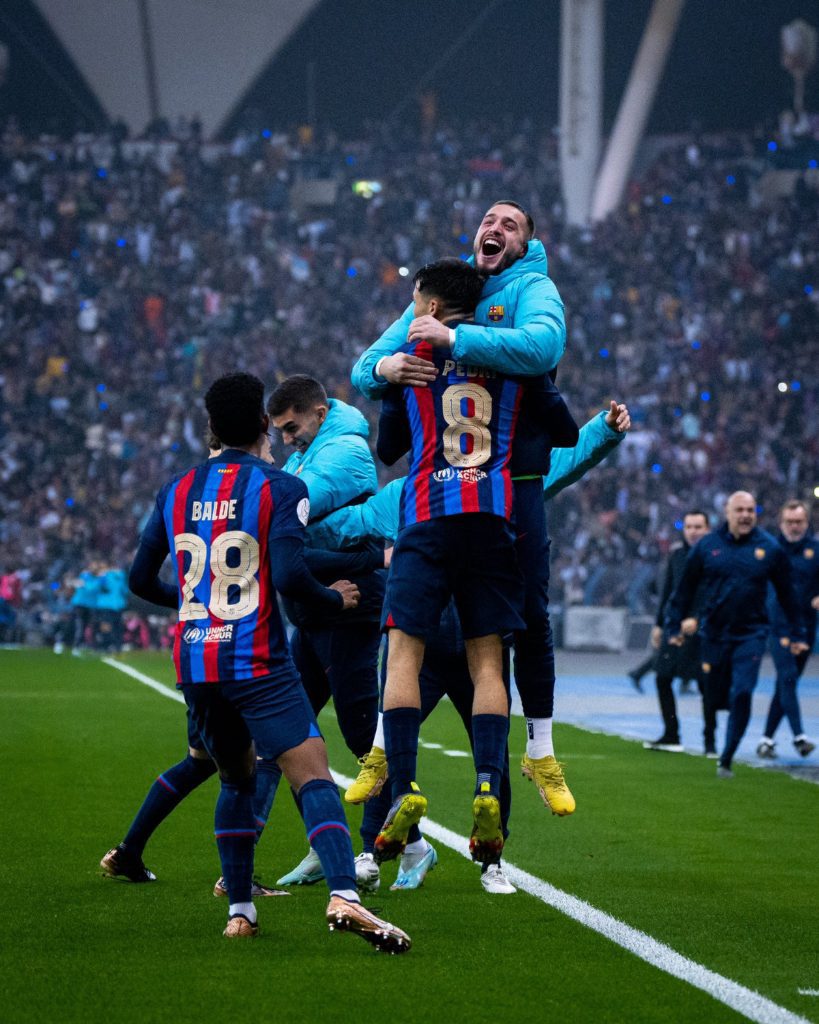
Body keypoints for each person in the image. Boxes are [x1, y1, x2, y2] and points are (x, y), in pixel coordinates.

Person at [114, 371, 410, 950]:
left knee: (235, 776)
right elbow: (293, 574)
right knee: (312, 771)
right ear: (259, 427)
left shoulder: (175, 490)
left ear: (209, 429)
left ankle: (242, 912)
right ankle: (345, 897)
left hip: (197, 663)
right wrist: (337, 596)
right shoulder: (281, 488)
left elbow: (138, 579)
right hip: (255, 660)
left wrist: (198, 601)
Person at [316, 396, 632, 893]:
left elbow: (557, 463)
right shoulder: (469, 488)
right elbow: (341, 529)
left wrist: (603, 430)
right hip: (455, 646)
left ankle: (491, 860)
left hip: (438, 647)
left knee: (394, 748)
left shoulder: (455, 486)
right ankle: (372, 852)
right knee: (392, 747)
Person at [352, 200, 577, 817]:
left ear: (528, 243)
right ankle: (390, 757)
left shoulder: (532, 287)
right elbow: (365, 366)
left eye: (510, 224)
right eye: (488, 220)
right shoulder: (447, 290)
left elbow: (542, 347)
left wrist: (452, 339)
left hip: (513, 486)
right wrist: (388, 366)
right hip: (461, 497)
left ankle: (540, 749)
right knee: (447, 641)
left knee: (520, 620)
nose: (494, 228)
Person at [265, 374, 391, 892]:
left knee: (364, 738)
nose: (287, 438)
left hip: (350, 608)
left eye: (292, 427)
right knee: (288, 735)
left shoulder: (343, 452)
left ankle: (371, 851)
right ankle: (331, 844)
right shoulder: (308, 453)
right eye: (279, 431)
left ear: (318, 412)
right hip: (315, 614)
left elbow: (291, 515)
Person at [665, 491, 808, 779]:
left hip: (751, 634)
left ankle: (726, 756)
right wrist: (672, 625)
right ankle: (713, 737)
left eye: (750, 510)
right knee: (714, 694)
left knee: (742, 692)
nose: (745, 515)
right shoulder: (707, 546)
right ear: (727, 513)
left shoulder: (769, 548)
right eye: (739, 510)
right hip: (714, 633)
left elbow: (788, 595)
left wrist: (798, 632)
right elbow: (684, 590)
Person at [643, 510, 711, 753]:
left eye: (698, 526)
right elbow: (667, 591)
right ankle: (671, 735)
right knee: (662, 677)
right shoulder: (676, 555)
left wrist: (699, 619)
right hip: (674, 627)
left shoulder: (714, 556)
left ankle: (710, 741)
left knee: (706, 685)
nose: (693, 531)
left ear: (707, 529)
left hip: (703, 630)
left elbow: (715, 593)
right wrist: (659, 623)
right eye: (689, 526)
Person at [756, 500, 818, 760]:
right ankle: (799, 736)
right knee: (788, 676)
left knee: (786, 684)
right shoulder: (770, 550)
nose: (794, 526)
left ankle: (766, 740)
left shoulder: (815, 550)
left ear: (806, 522)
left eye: (799, 522)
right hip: (779, 626)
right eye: (790, 522)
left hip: (806, 628)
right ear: (781, 523)